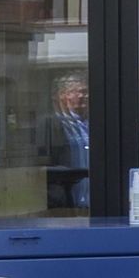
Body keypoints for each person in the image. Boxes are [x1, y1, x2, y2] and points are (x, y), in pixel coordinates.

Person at [35, 74, 90, 208]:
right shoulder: (50, 123)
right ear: (61, 96)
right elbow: (44, 161)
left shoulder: (87, 124)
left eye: (84, 92)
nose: (81, 96)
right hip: (65, 197)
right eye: (74, 92)